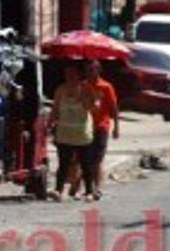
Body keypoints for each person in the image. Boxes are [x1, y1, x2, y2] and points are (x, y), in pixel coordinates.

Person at [69, 60, 120, 200]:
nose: (90, 73)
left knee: (97, 159)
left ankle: (97, 188)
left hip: (101, 127)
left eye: (92, 69)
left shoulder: (106, 87)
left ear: (99, 70)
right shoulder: (82, 86)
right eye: (87, 70)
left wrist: (116, 127)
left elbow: (114, 107)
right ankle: (77, 187)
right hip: (84, 126)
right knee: (81, 158)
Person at [48, 62, 96, 201]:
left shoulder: (86, 88)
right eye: (67, 73)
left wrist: (84, 97)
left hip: (82, 133)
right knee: (63, 163)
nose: (69, 76)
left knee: (85, 164)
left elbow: (91, 107)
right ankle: (58, 190)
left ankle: (89, 191)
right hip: (65, 133)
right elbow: (55, 108)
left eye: (73, 73)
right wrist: (49, 124)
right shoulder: (60, 89)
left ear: (79, 75)